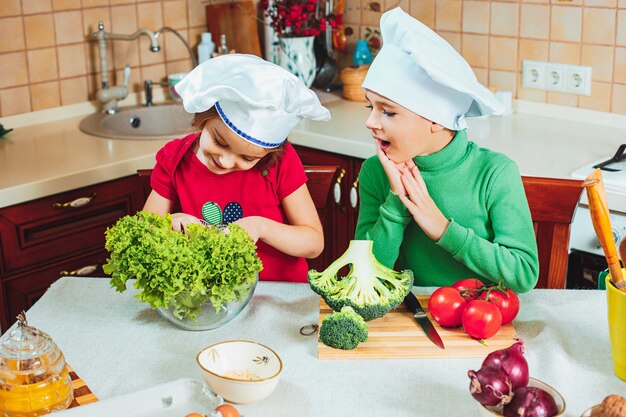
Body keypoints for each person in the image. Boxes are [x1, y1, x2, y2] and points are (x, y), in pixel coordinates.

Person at [355, 8, 539, 293]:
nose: (370, 122)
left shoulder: (495, 173)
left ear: (435, 120)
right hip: (404, 324)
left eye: (388, 112)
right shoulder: (375, 172)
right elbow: (363, 279)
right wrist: (396, 201)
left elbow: (523, 275)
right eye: (371, 106)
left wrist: (443, 229)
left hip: (478, 322)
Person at [142, 54, 331, 283]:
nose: (226, 162)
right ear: (203, 118)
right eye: (219, 142)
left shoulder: (281, 162)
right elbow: (143, 234)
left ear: (268, 154)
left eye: (247, 158)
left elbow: (314, 244)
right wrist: (170, 224)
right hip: (208, 299)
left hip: (281, 294)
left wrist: (261, 227)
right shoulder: (175, 159)